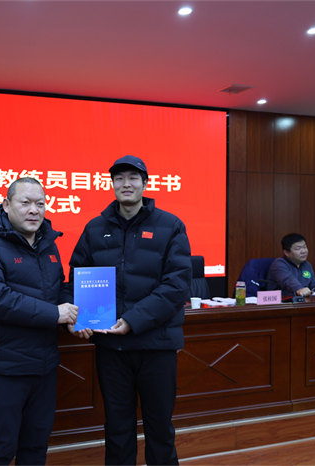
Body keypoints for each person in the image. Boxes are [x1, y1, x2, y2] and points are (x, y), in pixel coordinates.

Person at [69, 155, 191, 465]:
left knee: (159, 428)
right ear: (112, 184)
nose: (126, 184)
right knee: (117, 428)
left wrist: (132, 320)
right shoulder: (95, 228)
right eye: (119, 178)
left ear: (145, 184)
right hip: (112, 347)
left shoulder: (170, 225)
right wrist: (77, 318)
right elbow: (77, 276)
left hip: (156, 346)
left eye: (133, 178)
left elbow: (176, 286)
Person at [0, 177, 78, 465]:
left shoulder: (48, 243)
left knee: (36, 447)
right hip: (5, 368)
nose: (34, 210)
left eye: (40, 204)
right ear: (6, 205)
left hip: (44, 366)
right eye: (25, 203)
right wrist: (55, 314)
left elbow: (59, 289)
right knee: (1, 450)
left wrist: (74, 314)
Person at [267, 233, 315, 297]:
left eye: (304, 247)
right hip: (282, 301)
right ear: (287, 252)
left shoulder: (307, 265)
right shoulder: (279, 264)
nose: (303, 251)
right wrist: (300, 289)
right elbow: (288, 280)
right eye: (298, 248)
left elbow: (314, 286)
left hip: (304, 300)